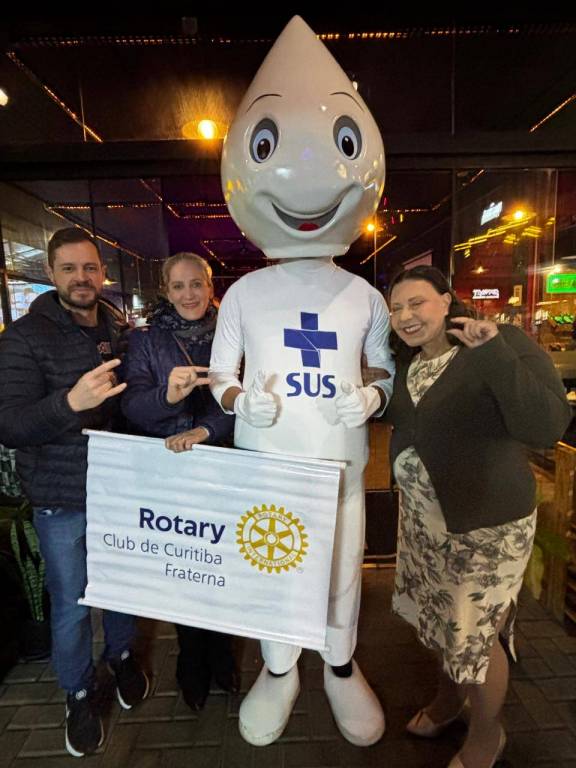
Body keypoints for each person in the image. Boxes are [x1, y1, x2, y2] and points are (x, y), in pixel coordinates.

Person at [210, 16, 394, 748]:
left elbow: (382, 366)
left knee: (345, 563)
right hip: (269, 462)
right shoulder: (244, 294)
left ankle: (340, 664)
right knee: (273, 562)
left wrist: (372, 395)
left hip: (342, 461)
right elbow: (221, 372)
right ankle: (280, 665)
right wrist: (238, 400)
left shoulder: (365, 295)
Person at [386, 265, 571, 768]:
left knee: (475, 636)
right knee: (440, 621)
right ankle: (450, 701)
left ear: (447, 301)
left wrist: (492, 352)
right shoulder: (407, 361)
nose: (406, 316)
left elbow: (545, 425)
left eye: (417, 302)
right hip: (425, 523)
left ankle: (487, 736)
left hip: (487, 527)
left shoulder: (499, 342)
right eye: (397, 307)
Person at [0, 227, 149, 758]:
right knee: (71, 603)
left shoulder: (119, 331)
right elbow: (10, 425)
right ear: (50, 273)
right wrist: (69, 403)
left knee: (123, 586)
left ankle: (122, 656)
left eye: (89, 268)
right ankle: (79, 692)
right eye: (68, 269)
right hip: (61, 498)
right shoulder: (22, 337)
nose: (81, 278)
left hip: (119, 490)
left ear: (102, 273)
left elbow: (133, 408)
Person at [121, 251, 237, 710]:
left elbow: (248, 398)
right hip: (171, 470)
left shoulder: (233, 333)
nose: (189, 294)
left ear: (210, 287)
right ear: (165, 292)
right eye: (178, 286)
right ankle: (191, 657)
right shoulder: (146, 341)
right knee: (186, 565)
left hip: (225, 464)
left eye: (197, 284)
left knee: (222, 562)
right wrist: (168, 397)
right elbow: (132, 406)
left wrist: (206, 430)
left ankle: (222, 652)